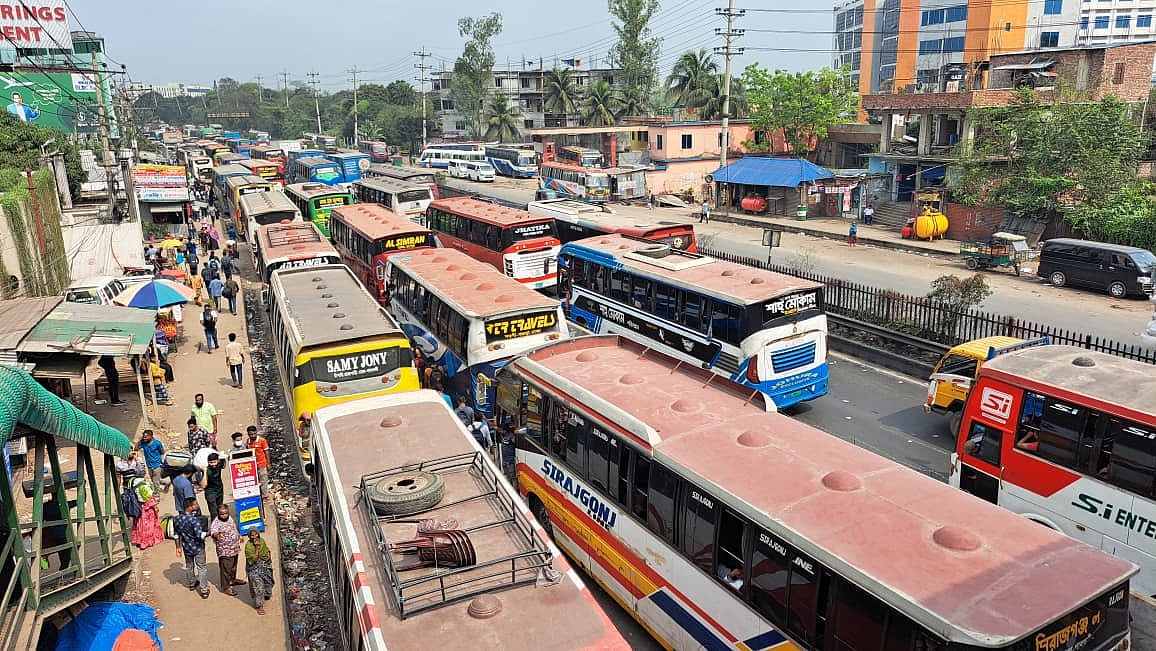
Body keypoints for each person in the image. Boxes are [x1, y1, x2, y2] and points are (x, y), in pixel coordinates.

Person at [173, 497, 211, 598]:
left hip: (186, 548)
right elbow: (200, 535)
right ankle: (204, 590)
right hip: (198, 547)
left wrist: (178, 547)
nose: (197, 505)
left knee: (189, 566)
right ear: (190, 507)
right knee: (201, 567)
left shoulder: (177, 519)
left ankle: (192, 584)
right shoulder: (194, 520)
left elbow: (176, 535)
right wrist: (210, 533)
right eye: (195, 504)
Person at [209, 504, 244, 596]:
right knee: (226, 569)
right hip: (224, 550)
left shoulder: (230, 518)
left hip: (234, 547)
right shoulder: (216, 523)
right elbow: (213, 532)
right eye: (222, 514)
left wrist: (239, 536)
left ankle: (232, 580)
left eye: (226, 513)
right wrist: (217, 535)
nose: (224, 515)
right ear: (218, 514)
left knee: (233, 566)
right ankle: (226, 587)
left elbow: (234, 528)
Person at [244, 528, 275, 614]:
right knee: (258, 587)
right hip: (254, 568)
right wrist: (257, 548)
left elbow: (266, 549)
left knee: (268, 582)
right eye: (252, 535)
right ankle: (259, 606)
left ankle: (267, 594)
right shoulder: (248, 546)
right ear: (249, 536)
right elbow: (254, 559)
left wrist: (269, 555)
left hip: (265, 566)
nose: (254, 537)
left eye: (255, 535)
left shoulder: (262, 541)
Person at [129, 473, 163, 549]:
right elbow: (149, 499)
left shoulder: (132, 482)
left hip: (138, 508)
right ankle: (145, 543)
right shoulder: (144, 485)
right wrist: (155, 507)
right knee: (147, 527)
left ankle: (138, 540)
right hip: (147, 510)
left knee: (139, 525)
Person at [246, 426, 270, 494]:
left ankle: (265, 495)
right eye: (251, 434)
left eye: (254, 434)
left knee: (263, 480)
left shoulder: (262, 440)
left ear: (256, 432)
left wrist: (268, 463)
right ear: (248, 434)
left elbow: (266, 452)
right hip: (253, 465)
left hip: (262, 464)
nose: (253, 436)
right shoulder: (248, 441)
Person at [200, 453, 225, 518]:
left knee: (220, 509)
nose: (213, 464)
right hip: (210, 493)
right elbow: (203, 486)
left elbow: (224, 466)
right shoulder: (207, 470)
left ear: (218, 461)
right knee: (214, 513)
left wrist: (223, 457)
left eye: (214, 462)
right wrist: (205, 472)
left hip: (219, 490)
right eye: (211, 462)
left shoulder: (219, 465)